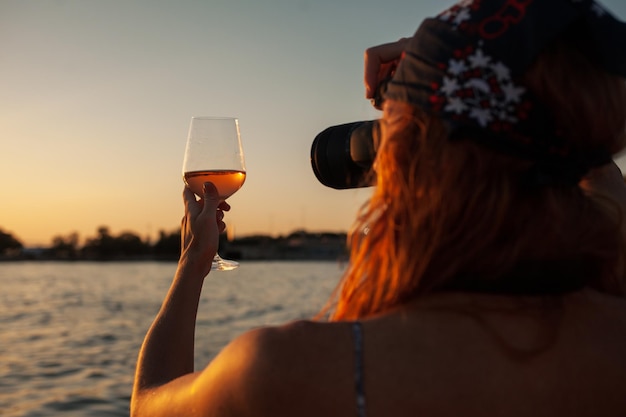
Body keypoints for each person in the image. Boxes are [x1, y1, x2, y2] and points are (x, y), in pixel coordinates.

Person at [131, 1, 626, 416]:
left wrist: (194, 263)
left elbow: (148, 403)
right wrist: (501, 69)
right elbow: (598, 178)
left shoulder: (290, 370)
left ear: (403, 165)